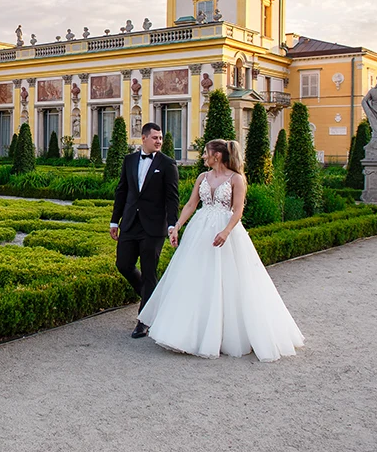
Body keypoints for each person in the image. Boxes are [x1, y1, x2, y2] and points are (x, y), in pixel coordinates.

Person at [139, 139, 304, 361]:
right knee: (195, 278)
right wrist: (176, 226)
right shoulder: (202, 177)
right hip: (200, 230)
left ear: (216, 155)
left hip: (226, 231)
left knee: (229, 281)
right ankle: (187, 332)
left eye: (205, 153)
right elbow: (191, 204)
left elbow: (238, 210)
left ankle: (225, 333)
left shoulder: (236, 179)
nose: (203, 156)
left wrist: (226, 232)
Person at [110, 122, 180, 339]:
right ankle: (152, 299)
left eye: (160, 138)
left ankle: (144, 321)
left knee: (149, 272)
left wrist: (172, 225)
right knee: (123, 264)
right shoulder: (130, 160)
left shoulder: (168, 164)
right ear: (143, 138)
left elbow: (172, 198)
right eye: (155, 138)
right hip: (130, 222)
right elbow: (122, 191)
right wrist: (114, 221)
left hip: (154, 226)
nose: (159, 141)